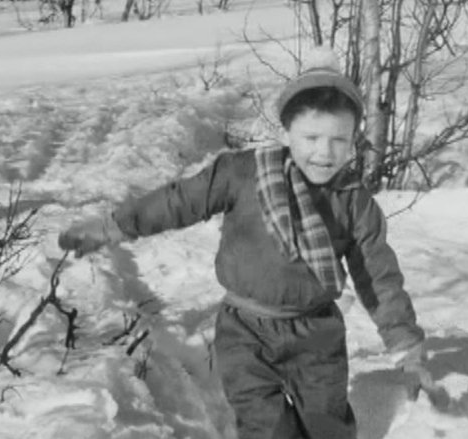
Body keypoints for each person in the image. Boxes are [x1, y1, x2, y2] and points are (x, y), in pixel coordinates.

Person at [59, 64, 432, 439]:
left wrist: (405, 343)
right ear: (287, 132)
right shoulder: (244, 173)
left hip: (317, 332)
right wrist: (113, 226)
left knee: (327, 426)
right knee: (265, 427)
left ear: (354, 140)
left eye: (339, 140)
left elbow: (378, 275)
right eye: (311, 137)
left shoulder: (353, 202)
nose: (324, 152)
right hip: (245, 331)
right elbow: (179, 202)